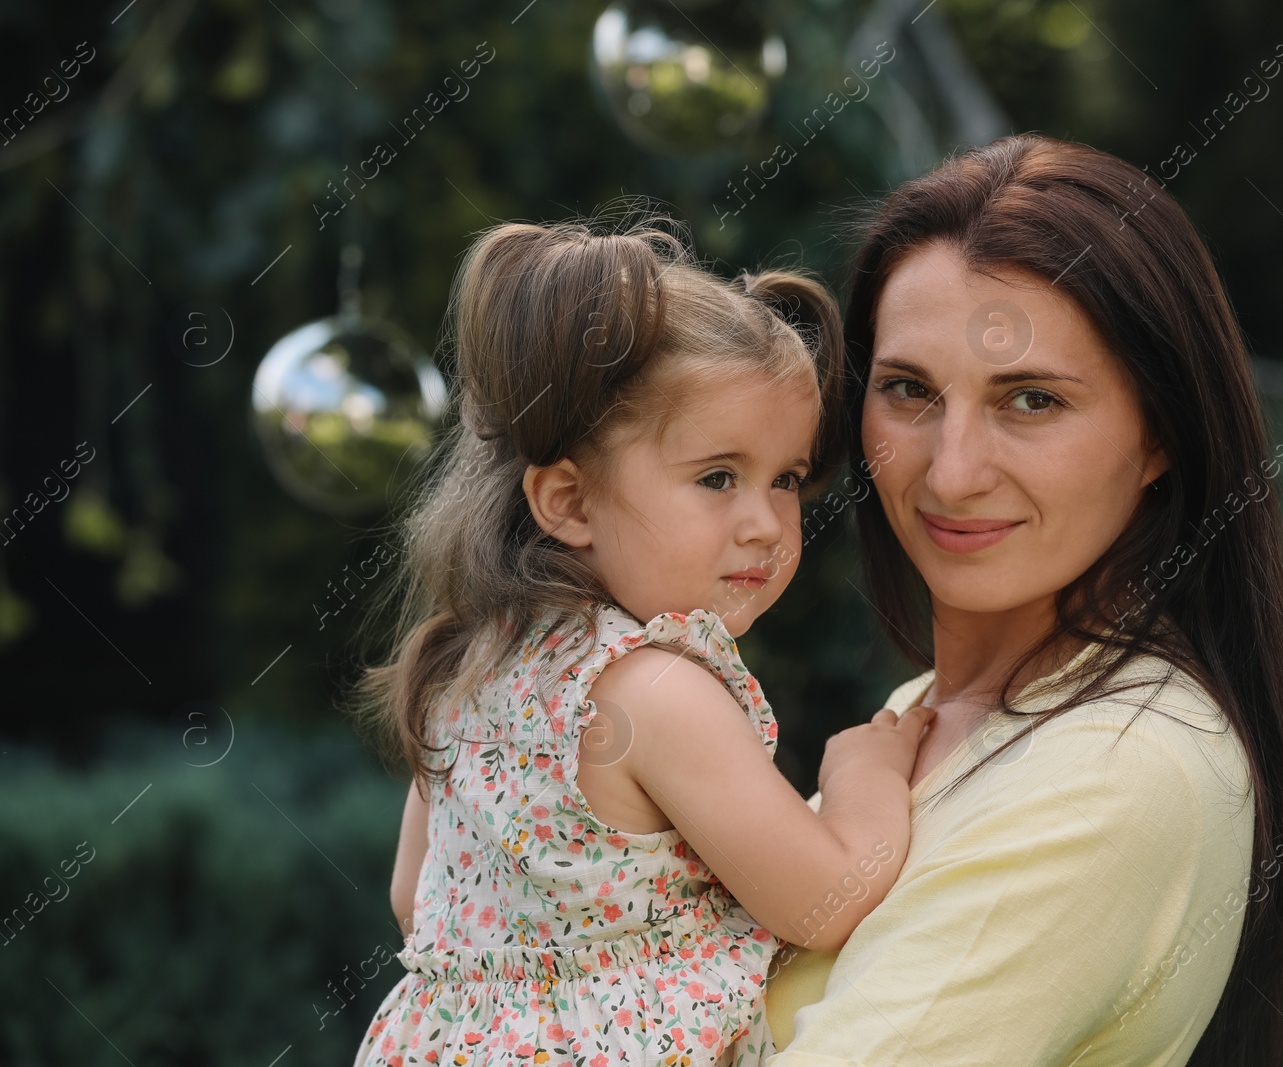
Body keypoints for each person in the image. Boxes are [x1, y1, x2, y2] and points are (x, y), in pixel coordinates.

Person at [761, 134, 1283, 1066]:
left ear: (1162, 434)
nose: (950, 473)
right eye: (908, 390)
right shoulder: (927, 717)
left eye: (1030, 400)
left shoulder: (1120, 767)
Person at [343, 217, 936, 1067]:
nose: (766, 523)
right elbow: (825, 901)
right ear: (570, 503)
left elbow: (416, 898)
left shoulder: (466, 663)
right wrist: (864, 775)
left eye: (788, 478)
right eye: (718, 477)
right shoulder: (655, 691)